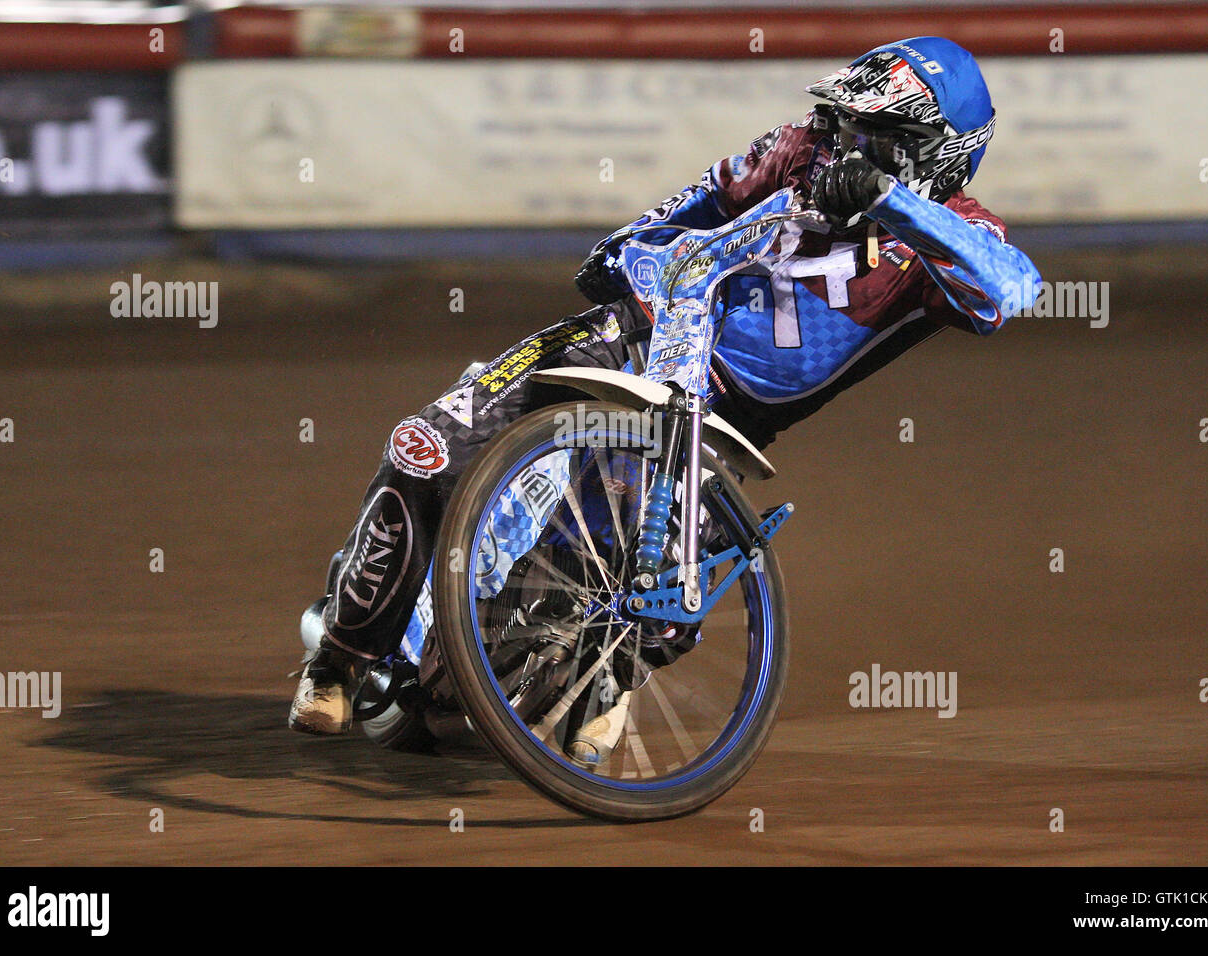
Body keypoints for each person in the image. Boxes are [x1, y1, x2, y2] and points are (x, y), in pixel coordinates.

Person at [288, 36, 1042, 749]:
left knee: (620, 604)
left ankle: (588, 679)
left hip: (719, 420)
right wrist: (626, 247)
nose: (844, 145)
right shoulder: (799, 145)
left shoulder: (963, 234)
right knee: (426, 447)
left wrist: (890, 202)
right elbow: (704, 201)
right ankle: (338, 660)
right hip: (633, 332)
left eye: (872, 136)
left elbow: (1015, 290)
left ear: (935, 158)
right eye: (847, 124)